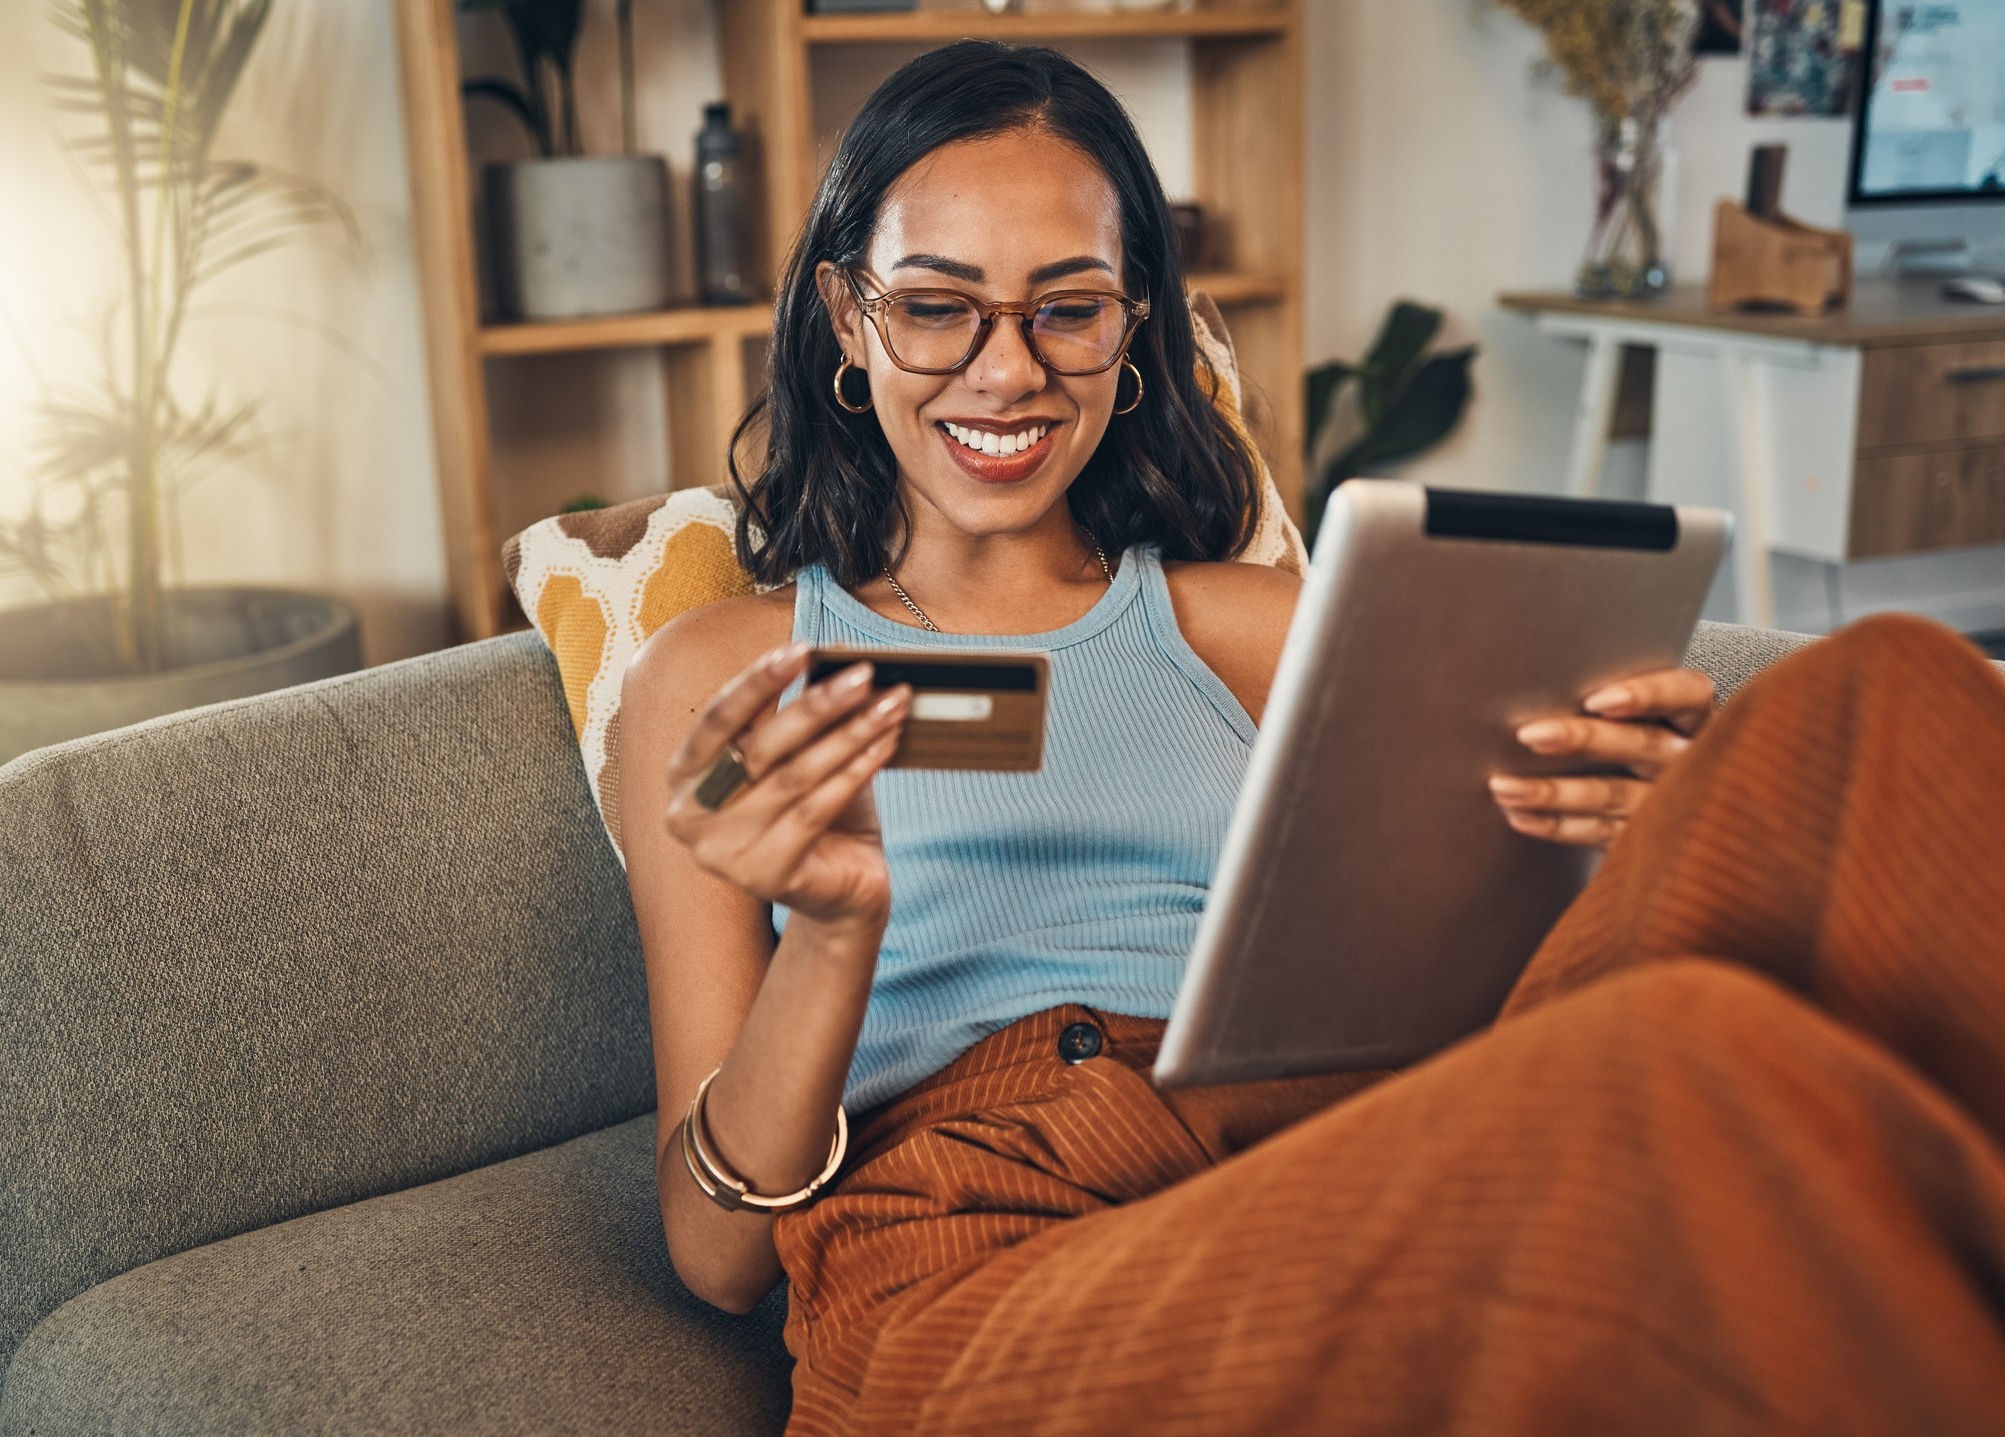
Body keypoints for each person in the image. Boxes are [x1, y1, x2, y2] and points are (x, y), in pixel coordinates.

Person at [617, 40, 2005, 1437]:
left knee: (1890, 694)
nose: (1004, 371)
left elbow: (1462, 960)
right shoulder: (724, 674)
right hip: (981, 1239)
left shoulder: (1262, 624)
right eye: (936, 308)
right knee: (1669, 1055)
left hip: (1304, 1130)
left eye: (1067, 309)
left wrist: (1653, 826)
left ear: (1132, 326)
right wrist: (841, 934)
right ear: (846, 321)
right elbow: (718, 1255)